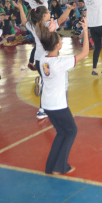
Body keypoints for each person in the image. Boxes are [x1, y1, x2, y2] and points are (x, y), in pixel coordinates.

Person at [39, 16, 90, 175]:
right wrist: (86, 31)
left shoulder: (42, 59)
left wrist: (51, 29)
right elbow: (85, 52)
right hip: (58, 105)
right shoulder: (60, 63)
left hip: (47, 104)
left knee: (62, 133)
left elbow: (46, 40)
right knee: (71, 130)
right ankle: (60, 166)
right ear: (58, 45)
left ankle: (51, 167)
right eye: (60, 40)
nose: (61, 41)